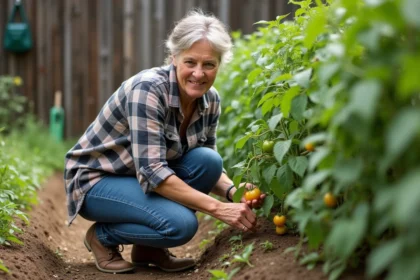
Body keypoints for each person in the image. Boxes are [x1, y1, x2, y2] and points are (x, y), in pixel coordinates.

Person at [64, 10, 265, 274]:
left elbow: (207, 163)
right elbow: (152, 172)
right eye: (190, 62)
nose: (198, 73)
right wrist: (219, 209)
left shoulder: (210, 99)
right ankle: (102, 237)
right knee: (180, 226)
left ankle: (148, 248)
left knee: (208, 160)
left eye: (209, 64)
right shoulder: (147, 90)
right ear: (174, 58)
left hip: (137, 179)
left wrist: (235, 193)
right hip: (97, 181)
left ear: (219, 64)